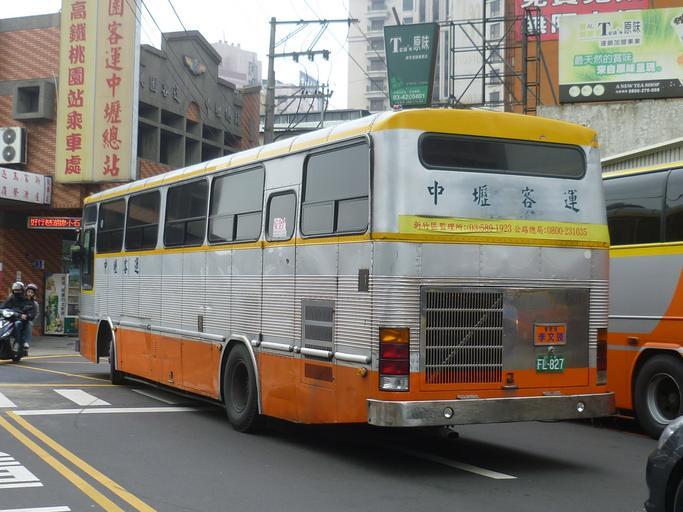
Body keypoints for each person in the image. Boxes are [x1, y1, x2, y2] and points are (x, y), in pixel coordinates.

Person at [1, 282, 35, 351]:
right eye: (15, 290)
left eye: (19, 290)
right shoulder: (11, 299)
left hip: (19, 320)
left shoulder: (27, 301)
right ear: (13, 290)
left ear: (22, 291)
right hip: (9, 318)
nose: (17, 292)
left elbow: (30, 312)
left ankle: (18, 342)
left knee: (17, 324)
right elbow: (2, 307)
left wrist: (26, 315)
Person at [24, 283, 39, 349]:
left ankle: (27, 342)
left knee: (29, 324)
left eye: (32, 292)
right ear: (26, 291)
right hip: (19, 318)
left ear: (34, 294)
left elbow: (37, 313)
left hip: (29, 320)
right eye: (29, 292)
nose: (30, 293)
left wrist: (32, 320)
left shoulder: (35, 303)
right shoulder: (21, 300)